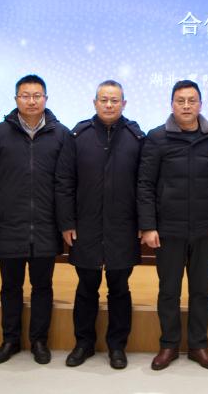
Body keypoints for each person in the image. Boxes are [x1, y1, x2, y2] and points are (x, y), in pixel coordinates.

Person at [0, 74, 71, 365]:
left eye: (37, 96)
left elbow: (66, 183)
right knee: (10, 287)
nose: (31, 101)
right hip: (9, 225)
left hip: (46, 225)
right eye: (25, 96)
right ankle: (11, 340)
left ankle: (39, 341)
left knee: (43, 287)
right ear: (16, 99)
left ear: (46, 99)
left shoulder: (61, 134)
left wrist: (65, 223)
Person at [137, 80, 208, 371]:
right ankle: (169, 345)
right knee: (169, 290)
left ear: (200, 104)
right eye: (180, 101)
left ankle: (199, 345)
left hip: (205, 228)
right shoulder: (157, 137)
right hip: (168, 229)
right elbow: (145, 185)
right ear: (172, 104)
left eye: (192, 100)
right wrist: (148, 226)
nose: (186, 106)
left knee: (201, 290)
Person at [58, 80, 145, 370]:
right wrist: (67, 222)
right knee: (86, 287)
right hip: (86, 226)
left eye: (114, 100)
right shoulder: (78, 136)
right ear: (94, 102)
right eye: (104, 100)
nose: (109, 105)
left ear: (124, 104)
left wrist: (144, 223)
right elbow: (64, 182)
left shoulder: (136, 137)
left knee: (120, 288)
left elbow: (145, 185)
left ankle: (117, 346)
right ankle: (83, 343)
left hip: (124, 227)